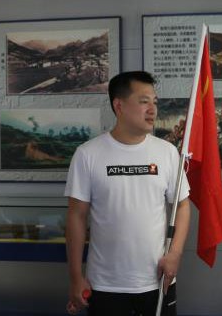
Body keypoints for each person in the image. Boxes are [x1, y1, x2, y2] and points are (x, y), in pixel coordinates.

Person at [65, 71, 191, 316]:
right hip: (105, 285)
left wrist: (175, 254)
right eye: (144, 101)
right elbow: (76, 216)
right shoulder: (88, 154)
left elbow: (182, 206)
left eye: (155, 102)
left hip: (157, 281)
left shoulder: (166, 152)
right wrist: (75, 277)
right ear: (119, 106)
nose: (152, 109)